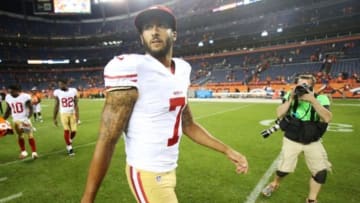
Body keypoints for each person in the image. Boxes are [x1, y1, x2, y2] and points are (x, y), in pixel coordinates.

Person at [81, 5, 248, 203]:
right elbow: (107, 138)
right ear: (141, 37)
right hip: (146, 172)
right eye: (147, 27)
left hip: (168, 169)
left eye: (161, 25)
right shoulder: (131, 68)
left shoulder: (182, 69)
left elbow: (188, 124)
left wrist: (227, 150)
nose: (154, 31)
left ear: (174, 34)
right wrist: (88, 197)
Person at [262, 74, 332, 203]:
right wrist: (291, 99)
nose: (302, 88)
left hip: (312, 140)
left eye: (306, 85)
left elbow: (327, 118)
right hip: (292, 139)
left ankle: (311, 199)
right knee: (283, 170)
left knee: (321, 172)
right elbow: (279, 113)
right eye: (300, 85)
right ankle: (275, 183)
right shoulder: (290, 96)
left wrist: (313, 100)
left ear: (312, 87)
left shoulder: (321, 98)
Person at [3, 85, 38, 159]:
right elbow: (8, 110)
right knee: (20, 136)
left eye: (12, 91)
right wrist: (2, 120)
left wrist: (27, 118)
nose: (10, 93)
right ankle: (23, 152)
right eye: (9, 91)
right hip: (15, 120)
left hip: (24, 120)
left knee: (30, 135)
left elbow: (30, 108)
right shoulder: (8, 97)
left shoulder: (25, 96)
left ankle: (34, 153)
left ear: (17, 90)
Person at [53, 79, 79, 156]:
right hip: (63, 113)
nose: (60, 86)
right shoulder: (57, 92)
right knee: (66, 130)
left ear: (66, 83)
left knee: (74, 131)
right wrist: (54, 118)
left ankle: (69, 140)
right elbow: (56, 105)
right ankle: (69, 147)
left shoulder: (73, 91)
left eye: (61, 84)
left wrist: (78, 116)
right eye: (59, 84)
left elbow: (76, 104)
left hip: (72, 113)